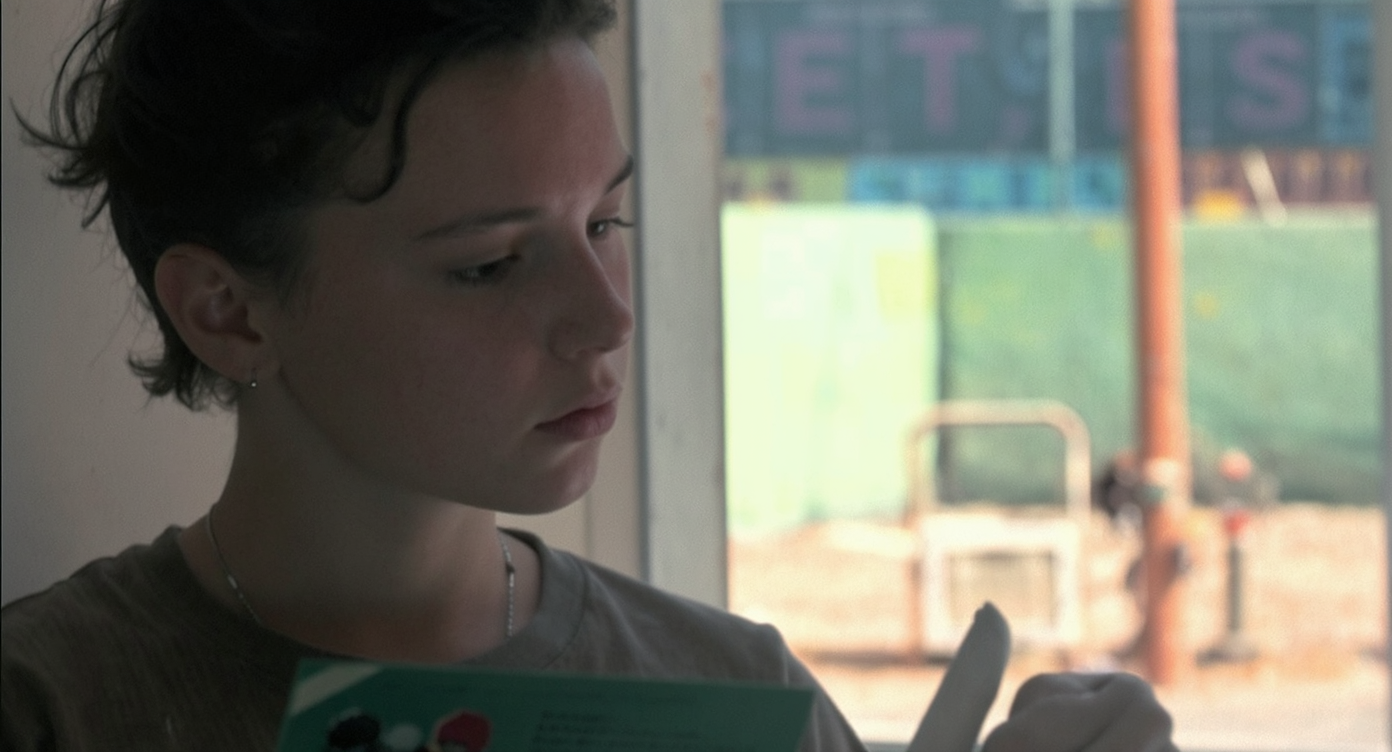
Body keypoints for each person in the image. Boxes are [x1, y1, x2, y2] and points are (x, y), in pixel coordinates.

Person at [0, 1, 1177, 750]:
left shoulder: (740, 695)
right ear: (227, 311)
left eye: (606, 223)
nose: (606, 316)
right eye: (490, 263)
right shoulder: (53, 704)